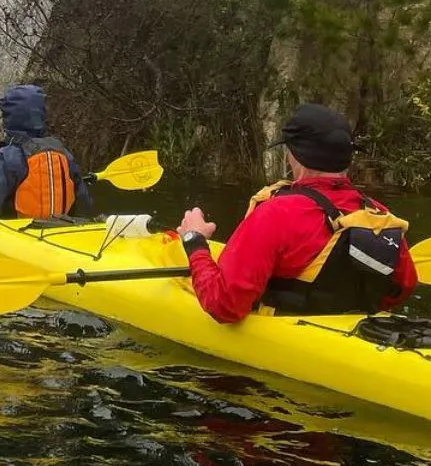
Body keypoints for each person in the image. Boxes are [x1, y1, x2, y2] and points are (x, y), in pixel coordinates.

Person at [175, 103, 416, 320]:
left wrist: (194, 241)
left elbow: (224, 305)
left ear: (294, 155)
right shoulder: (379, 215)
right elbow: (402, 287)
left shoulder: (276, 212)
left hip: (286, 339)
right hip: (355, 339)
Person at [0, 83, 94, 221]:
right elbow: (84, 208)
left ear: (9, 118)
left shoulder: (5, 158)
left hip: (17, 233)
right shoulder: (63, 153)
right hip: (59, 232)